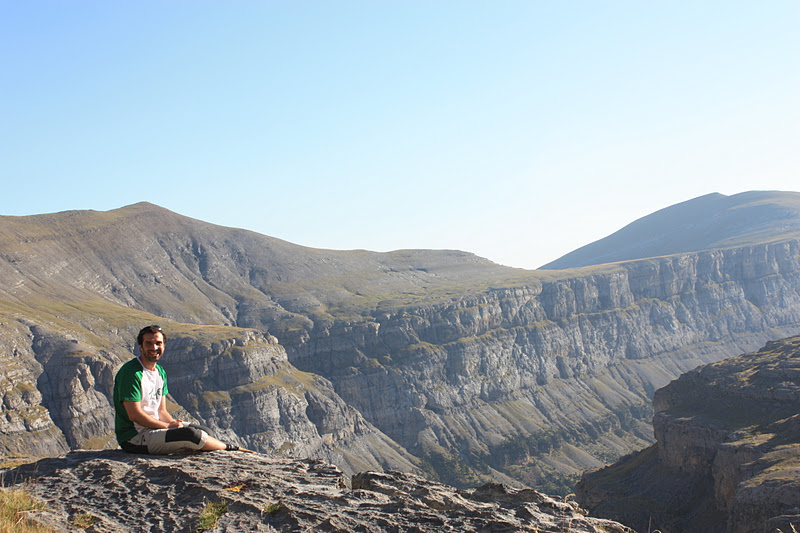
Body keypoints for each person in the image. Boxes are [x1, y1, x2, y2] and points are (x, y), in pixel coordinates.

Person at [113, 325, 239, 454]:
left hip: (154, 428)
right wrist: (168, 427)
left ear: (164, 346)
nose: (154, 348)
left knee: (206, 432)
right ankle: (230, 448)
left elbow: (161, 411)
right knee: (191, 435)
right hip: (135, 437)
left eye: (158, 343)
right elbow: (135, 415)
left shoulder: (160, 372)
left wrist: (174, 424)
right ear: (140, 346)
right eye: (148, 343)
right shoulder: (131, 373)